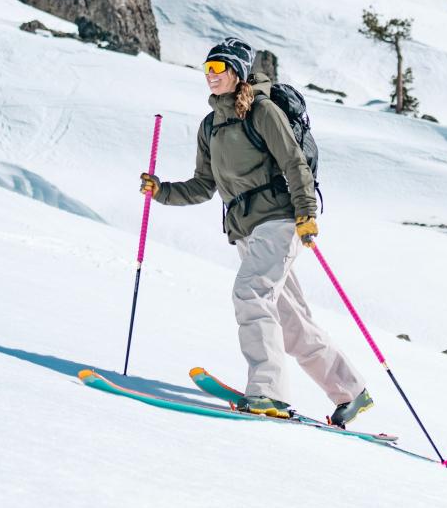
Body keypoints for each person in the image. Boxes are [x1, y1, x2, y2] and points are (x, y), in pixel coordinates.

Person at [139, 37, 372, 425]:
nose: (210, 76)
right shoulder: (210, 125)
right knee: (291, 322)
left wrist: (306, 213)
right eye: (207, 69)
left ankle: (267, 393)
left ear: (237, 72)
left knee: (250, 293)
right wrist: (162, 191)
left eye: (218, 69)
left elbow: (294, 163)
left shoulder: (263, 112)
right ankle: (351, 392)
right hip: (246, 231)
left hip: (280, 220)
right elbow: (203, 185)